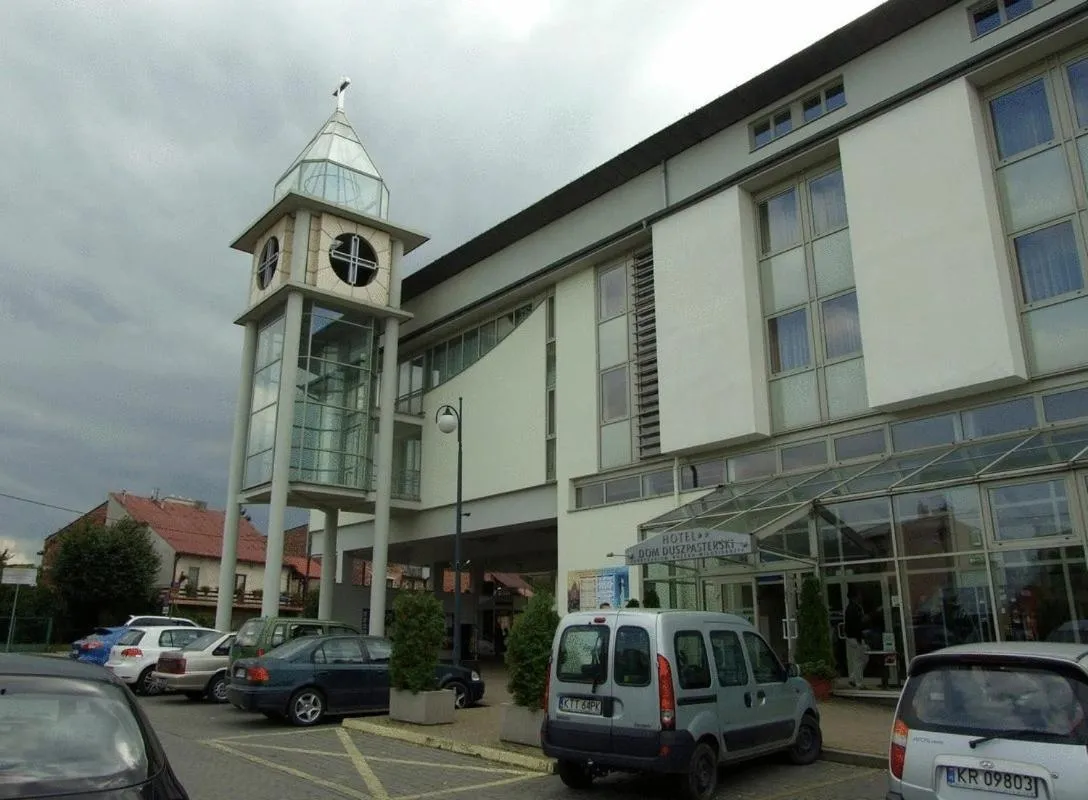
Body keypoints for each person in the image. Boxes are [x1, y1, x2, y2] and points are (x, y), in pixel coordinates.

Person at [844, 588, 867, 689]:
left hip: (853, 637)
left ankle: (853, 678)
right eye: (858, 595)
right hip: (855, 637)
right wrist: (859, 638)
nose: (860, 597)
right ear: (855, 597)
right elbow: (855, 625)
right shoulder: (853, 608)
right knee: (860, 659)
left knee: (863, 658)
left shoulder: (851, 607)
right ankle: (858, 683)